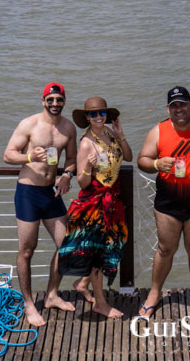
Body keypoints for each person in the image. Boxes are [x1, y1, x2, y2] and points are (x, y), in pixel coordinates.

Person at [136, 85, 190, 324]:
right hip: (167, 204)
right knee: (165, 249)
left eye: (183, 104)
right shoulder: (158, 131)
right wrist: (157, 164)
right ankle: (154, 293)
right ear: (168, 108)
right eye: (174, 105)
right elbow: (142, 160)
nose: (179, 109)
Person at [3, 82, 78, 326]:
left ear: (64, 101)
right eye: (50, 99)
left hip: (51, 192)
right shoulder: (29, 124)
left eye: (59, 100)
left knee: (66, 245)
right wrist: (29, 156)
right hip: (28, 193)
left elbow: (72, 158)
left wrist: (67, 175)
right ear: (43, 101)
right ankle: (28, 303)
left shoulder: (68, 128)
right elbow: (7, 154)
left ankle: (52, 295)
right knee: (27, 249)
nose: (55, 104)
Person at [57, 96, 132, 319]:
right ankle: (100, 303)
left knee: (114, 244)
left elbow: (127, 156)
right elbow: (82, 182)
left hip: (113, 200)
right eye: (93, 114)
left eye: (102, 113)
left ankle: (83, 283)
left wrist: (120, 135)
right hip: (94, 204)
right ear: (87, 118)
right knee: (98, 254)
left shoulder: (109, 133)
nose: (98, 117)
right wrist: (88, 165)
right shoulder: (86, 143)